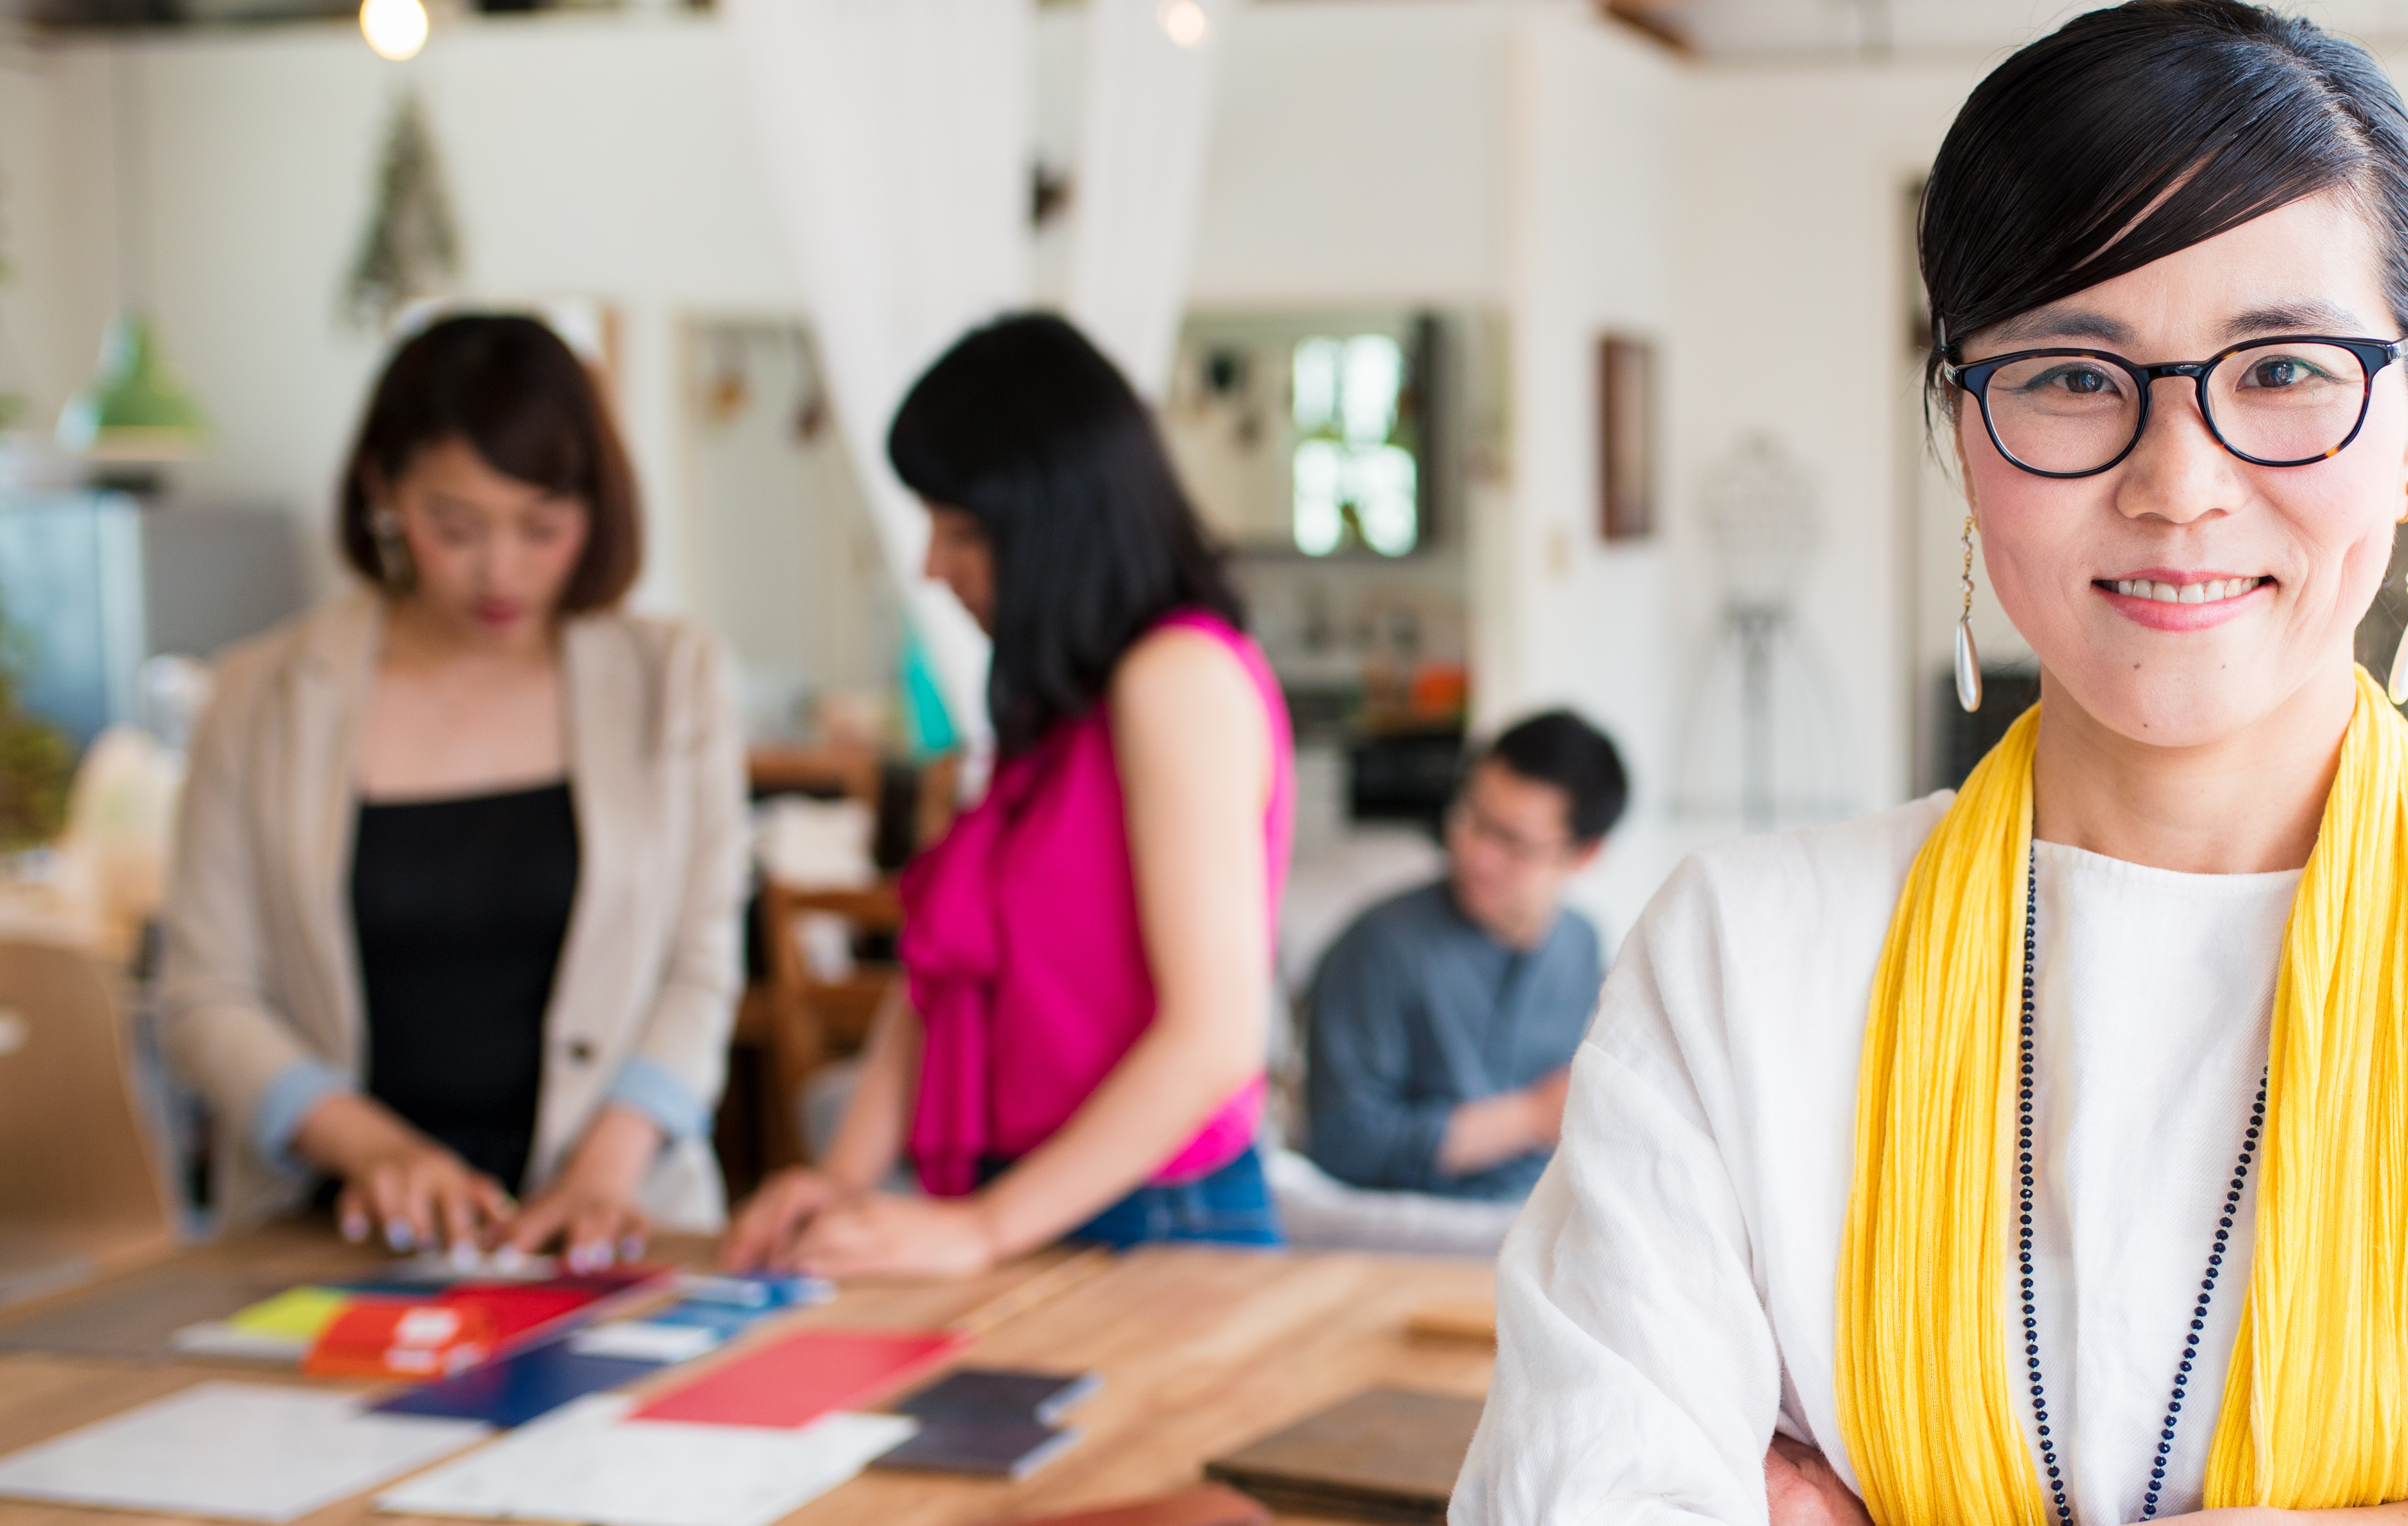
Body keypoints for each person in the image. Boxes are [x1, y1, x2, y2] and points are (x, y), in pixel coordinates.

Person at [1448, 6, 2408, 1526]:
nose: (2176, 480)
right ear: (1961, 432)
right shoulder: (1741, 960)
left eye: (2278, 370)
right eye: (2064, 374)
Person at [161, 314, 747, 1259]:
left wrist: (604, 1169)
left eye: (541, 528)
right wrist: (373, 1148)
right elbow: (206, 995)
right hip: (334, 1229)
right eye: (455, 526)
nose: (500, 570)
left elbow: (699, 968)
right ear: (380, 490)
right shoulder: (258, 697)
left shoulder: (671, 678)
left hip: (613, 1222)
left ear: (596, 509)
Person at [723, 313, 1294, 1277]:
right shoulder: (1059, 714)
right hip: (1038, 1207)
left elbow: (1212, 1041)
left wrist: (982, 1227)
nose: (932, 568)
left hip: (1154, 1224)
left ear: (1057, 527)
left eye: (962, 532)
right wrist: (844, 1182)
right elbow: (935, 979)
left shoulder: (1177, 678)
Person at [1303, 710, 1628, 1202]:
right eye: (1473, 818)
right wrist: (1530, 1117)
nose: (1478, 854)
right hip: (1417, 1235)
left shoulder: (1582, 945)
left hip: (1545, 1223)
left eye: (1514, 842)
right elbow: (1342, 1139)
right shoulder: (1381, 946)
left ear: (1584, 855)